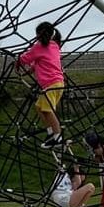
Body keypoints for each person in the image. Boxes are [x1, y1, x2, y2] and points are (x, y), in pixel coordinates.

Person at [16, 21, 65, 149]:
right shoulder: (54, 45)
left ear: (39, 35)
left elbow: (25, 58)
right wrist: (32, 69)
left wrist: (17, 62)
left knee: (47, 110)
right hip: (58, 83)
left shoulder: (38, 47)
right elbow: (43, 60)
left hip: (51, 84)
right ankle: (50, 133)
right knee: (39, 107)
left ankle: (58, 137)